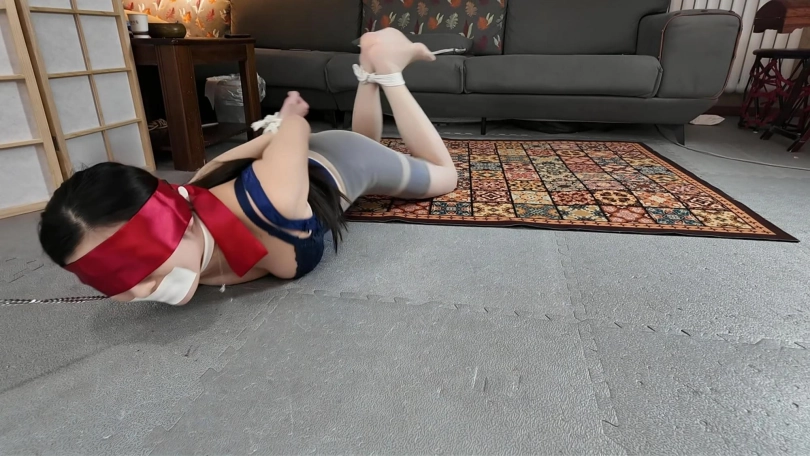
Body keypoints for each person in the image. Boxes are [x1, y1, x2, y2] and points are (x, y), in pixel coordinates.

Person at [37, 28, 458, 306]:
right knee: (367, 141)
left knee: (442, 174)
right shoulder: (191, 213)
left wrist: (285, 119)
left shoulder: (273, 202)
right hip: (293, 171)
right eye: (109, 282)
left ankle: (389, 70)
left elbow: (296, 128)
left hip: (340, 159)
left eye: (138, 264)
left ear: (175, 222)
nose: (140, 289)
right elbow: (222, 164)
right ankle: (369, 68)